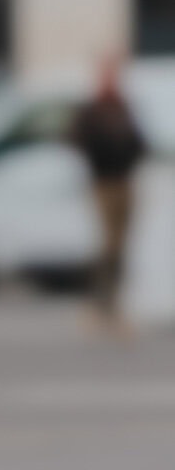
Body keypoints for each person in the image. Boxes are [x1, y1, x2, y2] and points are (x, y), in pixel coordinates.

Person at [68, 62, 146, 327]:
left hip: (124, 180)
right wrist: (99, 154)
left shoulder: (122, 106)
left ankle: (113, 300)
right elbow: (75, 139)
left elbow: (138, 140)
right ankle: (102, 301)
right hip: (104, 181)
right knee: (110, 243)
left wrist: (131, 154)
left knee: (121, 243)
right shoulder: (93, 109)